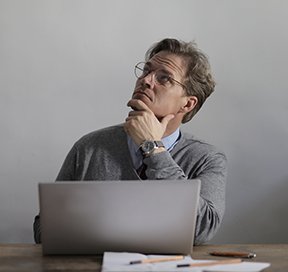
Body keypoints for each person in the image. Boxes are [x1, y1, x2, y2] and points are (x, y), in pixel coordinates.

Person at [33, 38, 227, 245]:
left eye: (164, 78)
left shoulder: (207, 159)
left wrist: (153, 148)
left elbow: (202, 231)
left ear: (187, 103)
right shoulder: (89, 147)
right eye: (146, 71)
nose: (146, 80)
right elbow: (44, 230)